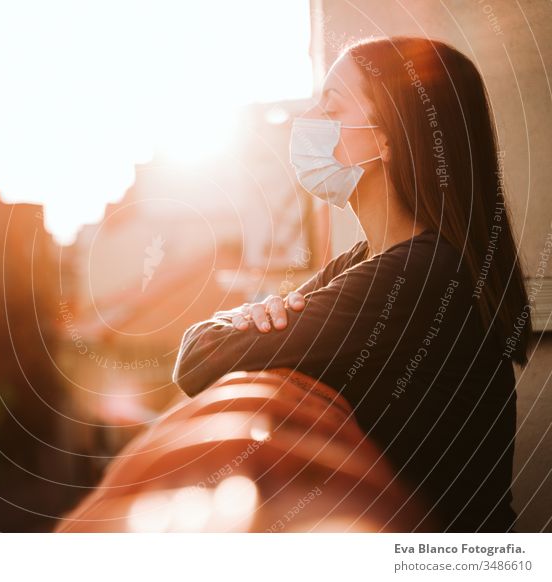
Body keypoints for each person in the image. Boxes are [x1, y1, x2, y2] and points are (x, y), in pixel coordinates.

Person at [172, 36, 531, 533]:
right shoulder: (369, 260)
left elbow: (198, 362)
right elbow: (203, 353)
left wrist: (240, 323)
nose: (310, 117)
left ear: (385, 139)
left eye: (331, 104)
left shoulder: (419, 274)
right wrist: (245, 318)